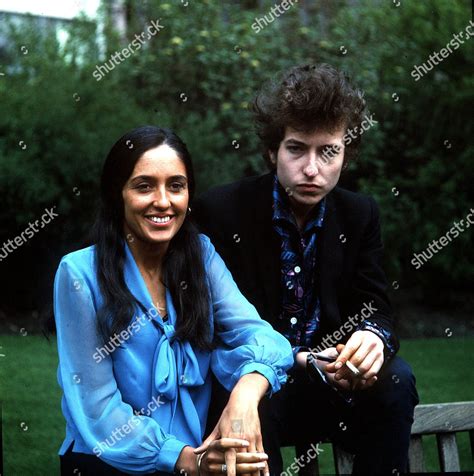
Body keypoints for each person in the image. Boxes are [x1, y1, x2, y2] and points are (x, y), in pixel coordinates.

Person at [193, 64, 419, 475]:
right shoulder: (223, 211)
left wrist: (373, 338)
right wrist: (297, 359)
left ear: (345, 154)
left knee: (397, 380)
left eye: (328, 151)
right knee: (247, 401)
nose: (312, 169)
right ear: (272, 151)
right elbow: (215, 326)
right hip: (258, 387)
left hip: (336, 392)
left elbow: (376, 307)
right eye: (296, 149)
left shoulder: (359, 214)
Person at [54, 125, 293, 475]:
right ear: (116, 193)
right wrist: (187, 459)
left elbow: (264, 338)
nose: (163, 201)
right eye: (144, 186)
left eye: (176, 186)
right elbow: (97, 409)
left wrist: (245, 394)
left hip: (196, 456)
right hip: (107, 461)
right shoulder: (79, 273)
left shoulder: (201, 256)